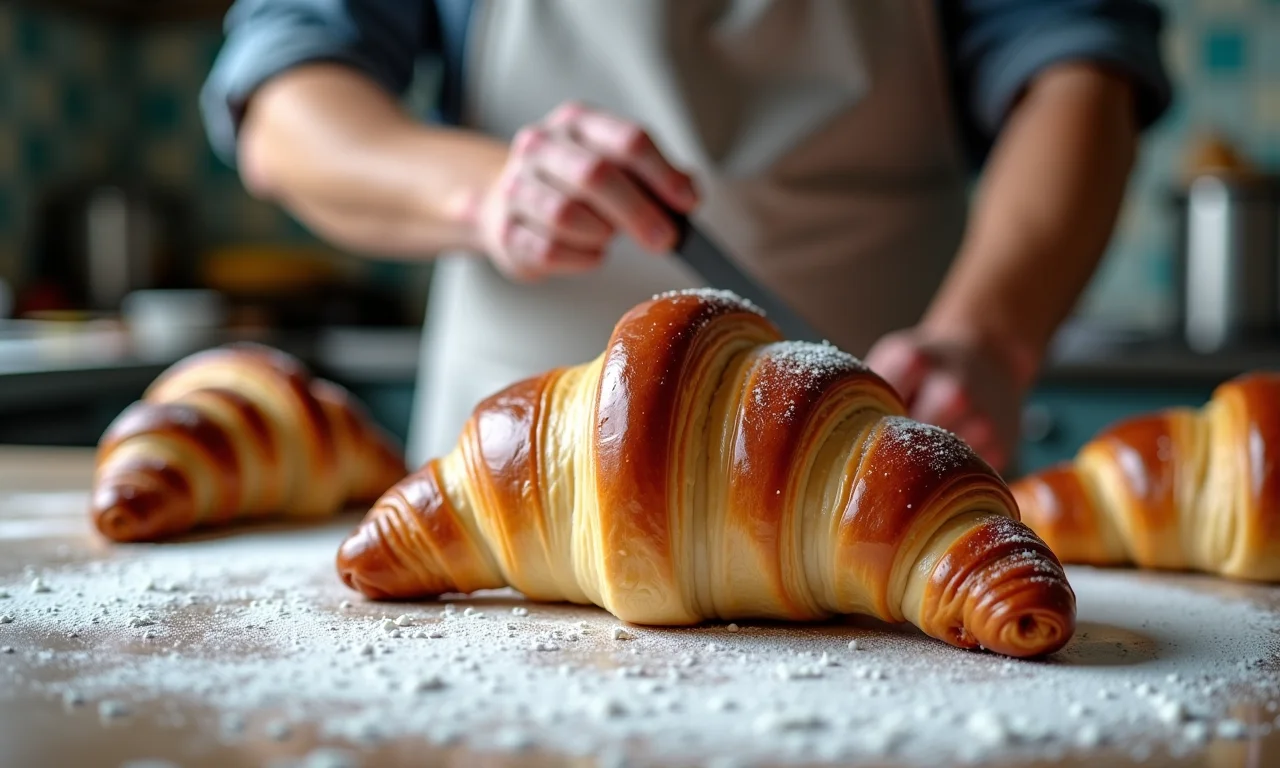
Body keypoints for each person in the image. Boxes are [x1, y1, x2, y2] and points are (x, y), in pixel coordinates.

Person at [200, 0, 1171, 474]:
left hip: (878, 457)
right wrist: (489, 190)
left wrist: (986, 338)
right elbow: (286, 107)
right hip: (511, 469)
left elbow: (1078, 76)